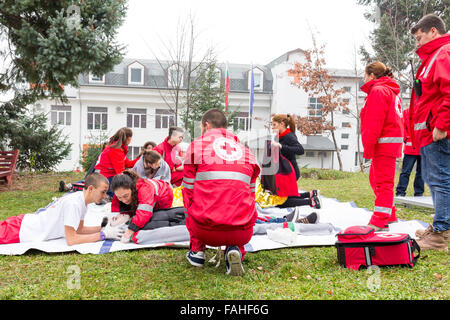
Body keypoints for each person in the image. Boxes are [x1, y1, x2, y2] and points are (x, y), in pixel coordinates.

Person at [182, 108, 260, 276]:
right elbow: (251, 196)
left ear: (206, 125)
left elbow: (187, 191)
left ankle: (197, 252)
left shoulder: (196, 146)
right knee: (242, 201)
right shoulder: (246, 152)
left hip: (205, 231)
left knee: (189, 203)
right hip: (242, 232)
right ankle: (235, 248)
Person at [408, 14, 450, 251]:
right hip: (430, 132)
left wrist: (442, 126)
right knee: (438, 182)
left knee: (440, 182)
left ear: (433, 31)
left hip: (438, 133)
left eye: (419, 37)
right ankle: (440, 226)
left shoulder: (442, 54)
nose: (417, 43)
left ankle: (440, 235)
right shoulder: (435, 56)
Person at [0, 173, 125, 245]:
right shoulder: (74, 204)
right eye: (103, 192)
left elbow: (79, 229)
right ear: (91, 188)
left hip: (23, 224)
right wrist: (103, 235)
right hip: (19, 230)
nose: (105, 196)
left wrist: (102, 227)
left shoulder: (82, 201)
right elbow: (72, 239)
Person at [360, 61, 404, 231]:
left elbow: (373, 122)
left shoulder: (378, 91)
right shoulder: (389, 90)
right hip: (388, 142)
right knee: (376, 179)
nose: (364, 80)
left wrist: (368, 147)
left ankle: (380, 219)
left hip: (383, 143)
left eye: (365, 76)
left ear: (371, 76)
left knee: (383, 183)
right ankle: (389, 213)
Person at [264, 114, 321, 210]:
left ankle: (312, 201)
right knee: (286, 198)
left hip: (291, 172)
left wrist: (282, 146)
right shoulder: (279, 136)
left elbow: (300, 150)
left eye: (274, 125)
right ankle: (311, 195)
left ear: (281, 124)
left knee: (282, 201)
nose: (272, 127)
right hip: (284, 172)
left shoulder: (289, 136)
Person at [110, 170, 174, 243]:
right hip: (144, 196)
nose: (123, 200)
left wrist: (130, 230)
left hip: (164, 196)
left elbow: (145, 212)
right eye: (119, 197)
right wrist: (117, 217)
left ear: (132, 188)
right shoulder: (120, 190)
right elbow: (116, 208)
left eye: (126, 196)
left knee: (153, 220)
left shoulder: (145, 188)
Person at [94, 127, 140, 198]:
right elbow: (120, 173)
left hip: (105, 176)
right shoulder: (116, 150)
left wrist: (141, 159)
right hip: (106, 178)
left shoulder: (117, 149)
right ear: (128, 139)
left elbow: (128, 164)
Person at [395, 107, 424, 197]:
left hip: (423, 148)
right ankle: (400, 192)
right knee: (406, 172)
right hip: (410, 148)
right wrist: (406, 138)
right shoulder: (406, 112)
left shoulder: (425, 111)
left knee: (421, 172)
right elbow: (402, 127)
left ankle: (419, 193)